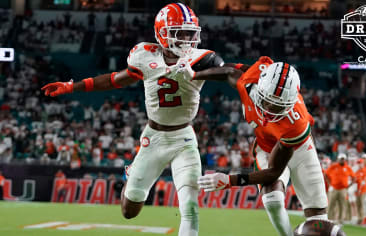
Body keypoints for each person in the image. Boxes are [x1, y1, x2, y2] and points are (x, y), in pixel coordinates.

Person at [41, 3, 227, 236]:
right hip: (154, 137)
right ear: (162, 32)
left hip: (184, 139)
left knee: (190, 206)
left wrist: (200, 74)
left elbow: (227, 71)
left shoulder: (201, 58)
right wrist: (72, 86)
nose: (188, 39)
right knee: (129, 211)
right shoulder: (144, 55)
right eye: (181, 33)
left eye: (191, 33)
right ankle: (132, 177)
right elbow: (115, 80)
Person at [197, 57, 330, 235]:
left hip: (299, 150)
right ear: (260, 89)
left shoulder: (296, 122)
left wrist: (230, 181)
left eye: (278, 106)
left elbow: (274, 172)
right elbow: (229, 71)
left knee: (318, 220)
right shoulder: (249, 83)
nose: (270, 110)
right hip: (266, 146)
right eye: (268, 101)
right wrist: (194, 75)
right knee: (272, 200)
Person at [325, 153, 355, 223]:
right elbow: (326, 174)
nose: (342, 160)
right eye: (341, 159)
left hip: (343, 189)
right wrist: (330, 184)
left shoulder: (347, 168)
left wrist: (348, 186)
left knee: (342, 205)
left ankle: (340, 220)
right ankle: (329, 219)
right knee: (331, 204)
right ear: (338, 159)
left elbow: (353, 177)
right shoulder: (334, 166)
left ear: (345, 160)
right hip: (334, 188)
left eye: (343, 159)